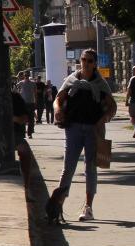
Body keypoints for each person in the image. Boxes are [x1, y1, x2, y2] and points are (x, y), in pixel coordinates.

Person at [48, 48, 117, 221]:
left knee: (90, 168)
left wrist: (104, 118)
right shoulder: (71, 80)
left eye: (90, 61)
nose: (86, 64)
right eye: (83, 60)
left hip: (93, 129)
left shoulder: (100, 83)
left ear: (95, 65)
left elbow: (112, 105)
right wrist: (57, 110)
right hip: (73, 128)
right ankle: (58, 205)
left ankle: (88, 208)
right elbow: (59, 99)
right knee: (68, 168)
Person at [17, 71, 37, 138]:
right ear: (24, 76)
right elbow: (16, 90)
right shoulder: (21, 83)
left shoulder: (33, 83)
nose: (26, 77)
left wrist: (35, 101)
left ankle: (29, 133)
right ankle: (23, 132)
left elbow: (35, 93)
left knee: (31, 119)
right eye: (25, 75)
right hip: (23, 103)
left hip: (31, 103)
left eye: (27, 75)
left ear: (29, 76)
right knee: (23, 118)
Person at [125, 66, 135, 138]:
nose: (132, 71)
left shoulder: (132, 79)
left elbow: (129, 91)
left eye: (133, 70)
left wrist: (126, 101)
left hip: (133, 102)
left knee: (133, 117)